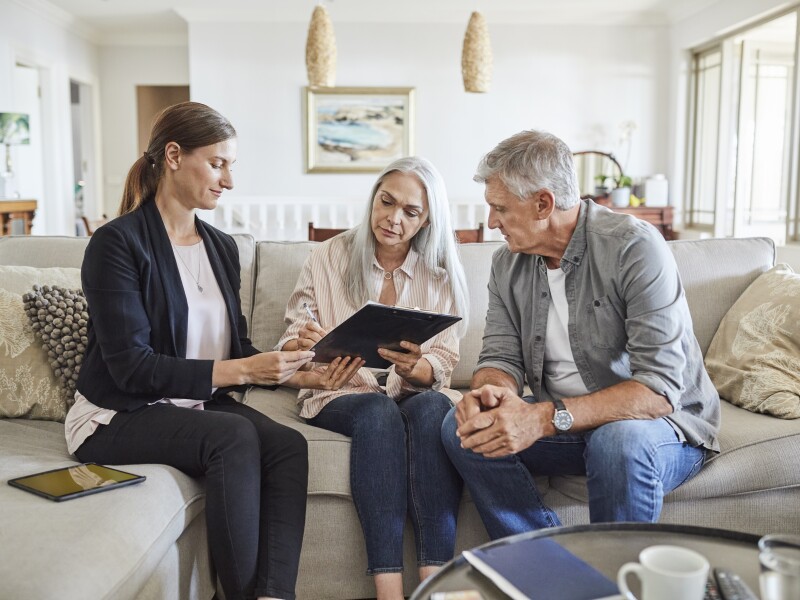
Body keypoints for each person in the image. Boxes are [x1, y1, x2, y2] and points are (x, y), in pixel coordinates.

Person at [65, 101, 359, 600]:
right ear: (174, 156)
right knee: (231, 437)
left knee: (287, 446)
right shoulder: (117, 244)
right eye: (218, 163)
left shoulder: (221, 247)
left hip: (194, 405)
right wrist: (247, 367)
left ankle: (272, 594)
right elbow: (131, 369)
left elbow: (235, 349)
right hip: (117, 413)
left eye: (231, 166)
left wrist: (297, 374)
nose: (228, 180)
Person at [441, 130, 720, 539]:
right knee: (459, 426)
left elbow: (657, 390)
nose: (491, 222)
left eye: (500, 208)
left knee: (617, 441)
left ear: (543, 203)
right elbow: (499, 356)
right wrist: (491, 393)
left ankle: (614, 583)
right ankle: (546, 561)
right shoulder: (507, 264)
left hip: (661, 426)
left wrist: (542, 417)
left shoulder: (633, 248)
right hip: (569, 425)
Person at [277, 156, 469, 600]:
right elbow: (290, 340)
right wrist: (308, 342)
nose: (393, 219)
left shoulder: (439, 274)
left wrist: (415, 367)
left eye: (410, 212)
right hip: (340, 390)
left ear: (425, 222)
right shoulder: (328, 256)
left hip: (411, 390)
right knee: (379, 412)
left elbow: (443, 362)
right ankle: (389, 592)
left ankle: (434, 583)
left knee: (433, 409)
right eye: (387, 202)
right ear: (373, 199)